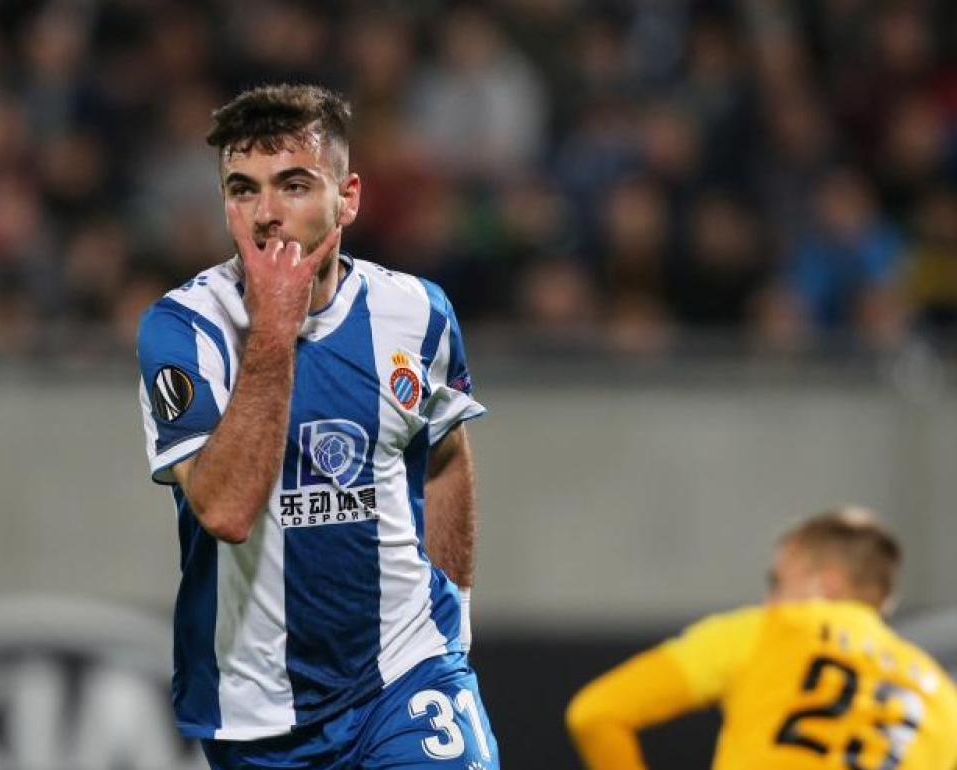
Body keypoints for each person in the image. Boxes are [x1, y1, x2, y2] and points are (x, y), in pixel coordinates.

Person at [135, 84, 499, 769]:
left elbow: (446, 456)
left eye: (293, 185)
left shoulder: (418, 312)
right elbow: (225, 508)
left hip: (407, 674)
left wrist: (454, 622)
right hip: (259, 711)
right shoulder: (185, 331)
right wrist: (274, 326)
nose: (267, 214)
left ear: (348, 196)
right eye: (242, 190)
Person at [567, 507, 957, 770]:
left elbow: (595, 713)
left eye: (777, 582)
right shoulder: (941, 696)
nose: (768, 600)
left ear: (828, 583)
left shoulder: (767, 630)